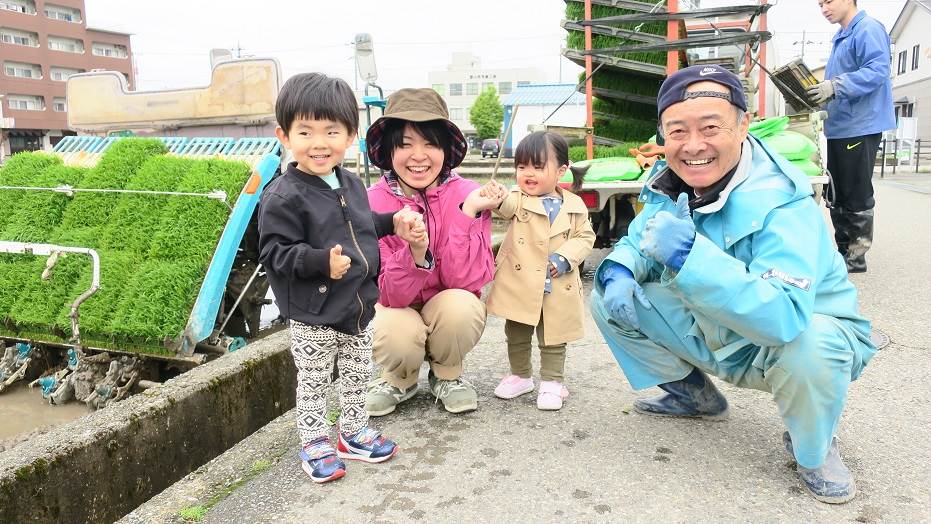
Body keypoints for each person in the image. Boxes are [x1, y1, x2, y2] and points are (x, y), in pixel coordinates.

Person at [590, 64, 876, 504]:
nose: (694, 145)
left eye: (710, 127)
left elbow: (782, 318)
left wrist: (689, 257)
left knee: (814, 342)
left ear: (743, 125)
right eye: (677, 131)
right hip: (717, 329)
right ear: (663, 134)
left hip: (784, 342)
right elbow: (636, 242)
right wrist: (619, 270)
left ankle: (813, 450)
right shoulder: (669, 184)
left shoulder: (785, 201)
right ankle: (695, 396)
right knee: (608, 297)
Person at [258, 73, 420, 483]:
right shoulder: (282, 195)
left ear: (351, 136)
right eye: (305, 131)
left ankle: (351, 431)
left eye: (332, 131)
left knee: (355, 373)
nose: (319, 142)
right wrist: (319, 263)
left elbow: (361, 225)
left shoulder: (350, 182)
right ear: (284, 135)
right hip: (313, 313)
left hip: (358, 305)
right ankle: (314, 441)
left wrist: (392, 224)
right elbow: (274, 253)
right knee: (313, 381)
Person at [364, 88, 502, 415]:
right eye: (406, 144)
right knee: (392, 327)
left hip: (446, 302)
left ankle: (447, 375)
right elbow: (388, 294)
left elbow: (464, 281)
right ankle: (399, 379)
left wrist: (468, 213)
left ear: (444, 148)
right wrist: (414, 254)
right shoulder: (371, 202)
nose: (419, 155)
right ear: (389, 150)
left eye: (430, 143)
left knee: (463, 307)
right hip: (397, 307)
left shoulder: (471, 194)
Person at [481, 131, 594, 410]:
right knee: (516, 330)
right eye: (521, 167)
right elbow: (504, 207)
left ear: (561, 171)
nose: (528, 173)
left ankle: (553, 381)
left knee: (554, 334)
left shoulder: (574, 205)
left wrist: (564, 258)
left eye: (538, 166)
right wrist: (496, 195)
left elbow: (585, 237)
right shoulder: (518, 198)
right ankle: (521, 375)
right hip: (521, 282)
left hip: (556, 281)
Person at [806, 0, 895, 273]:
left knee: (855, 191)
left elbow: (878, 70)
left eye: (829, 1)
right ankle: (844, 250)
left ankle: (855, 256)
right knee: (839, 191)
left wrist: (835, 85)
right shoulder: (842, 37)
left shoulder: (867, 29)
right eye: (820, 4)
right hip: (841, 126)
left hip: (860, 124)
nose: (824, 8)